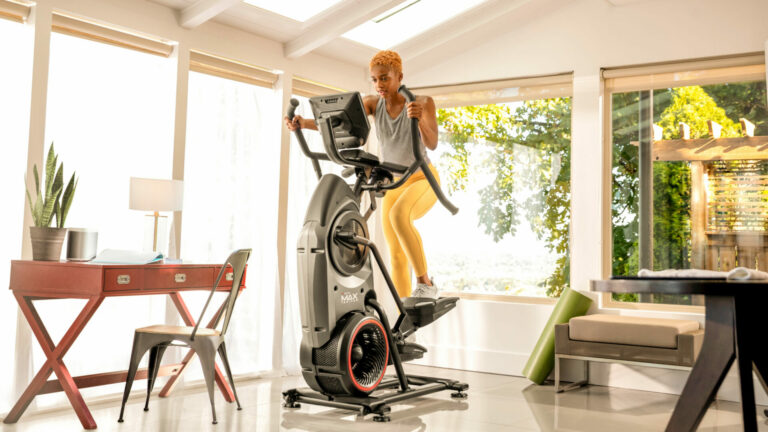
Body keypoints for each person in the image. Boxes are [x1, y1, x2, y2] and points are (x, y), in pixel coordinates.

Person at [285, 50, 441, 298]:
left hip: (422, 178)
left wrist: (420, 120)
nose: (379, 85)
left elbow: (432, 143)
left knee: (401, 216)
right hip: (394, 182)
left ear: (399, 76)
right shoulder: (372, 103)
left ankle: (426, 284)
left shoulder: (422, 102)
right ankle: (403, 315)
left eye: (385, 78)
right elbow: (337, 120)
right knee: (396, 252)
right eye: (375, 79)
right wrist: (303, 123)